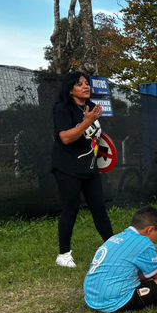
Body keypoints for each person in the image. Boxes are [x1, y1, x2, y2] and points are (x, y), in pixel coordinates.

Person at [51, 71, 113, 268]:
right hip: (67, 168)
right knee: (70, 209)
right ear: (70, 90)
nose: (86, 86)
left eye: (87, 83)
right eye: (80, 84)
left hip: (90, 168)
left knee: (99, 209)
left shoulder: (91, 107)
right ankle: (63, 255)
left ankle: (114, 249)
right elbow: (65, 138)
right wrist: (87, 121)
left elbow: (94, 136)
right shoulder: (63, 108)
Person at [83, 206, 157, 313]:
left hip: (92, 296)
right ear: (150, 230)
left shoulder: (117, 237)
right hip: (113, 301)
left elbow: (148, 274)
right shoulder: (144, 242)